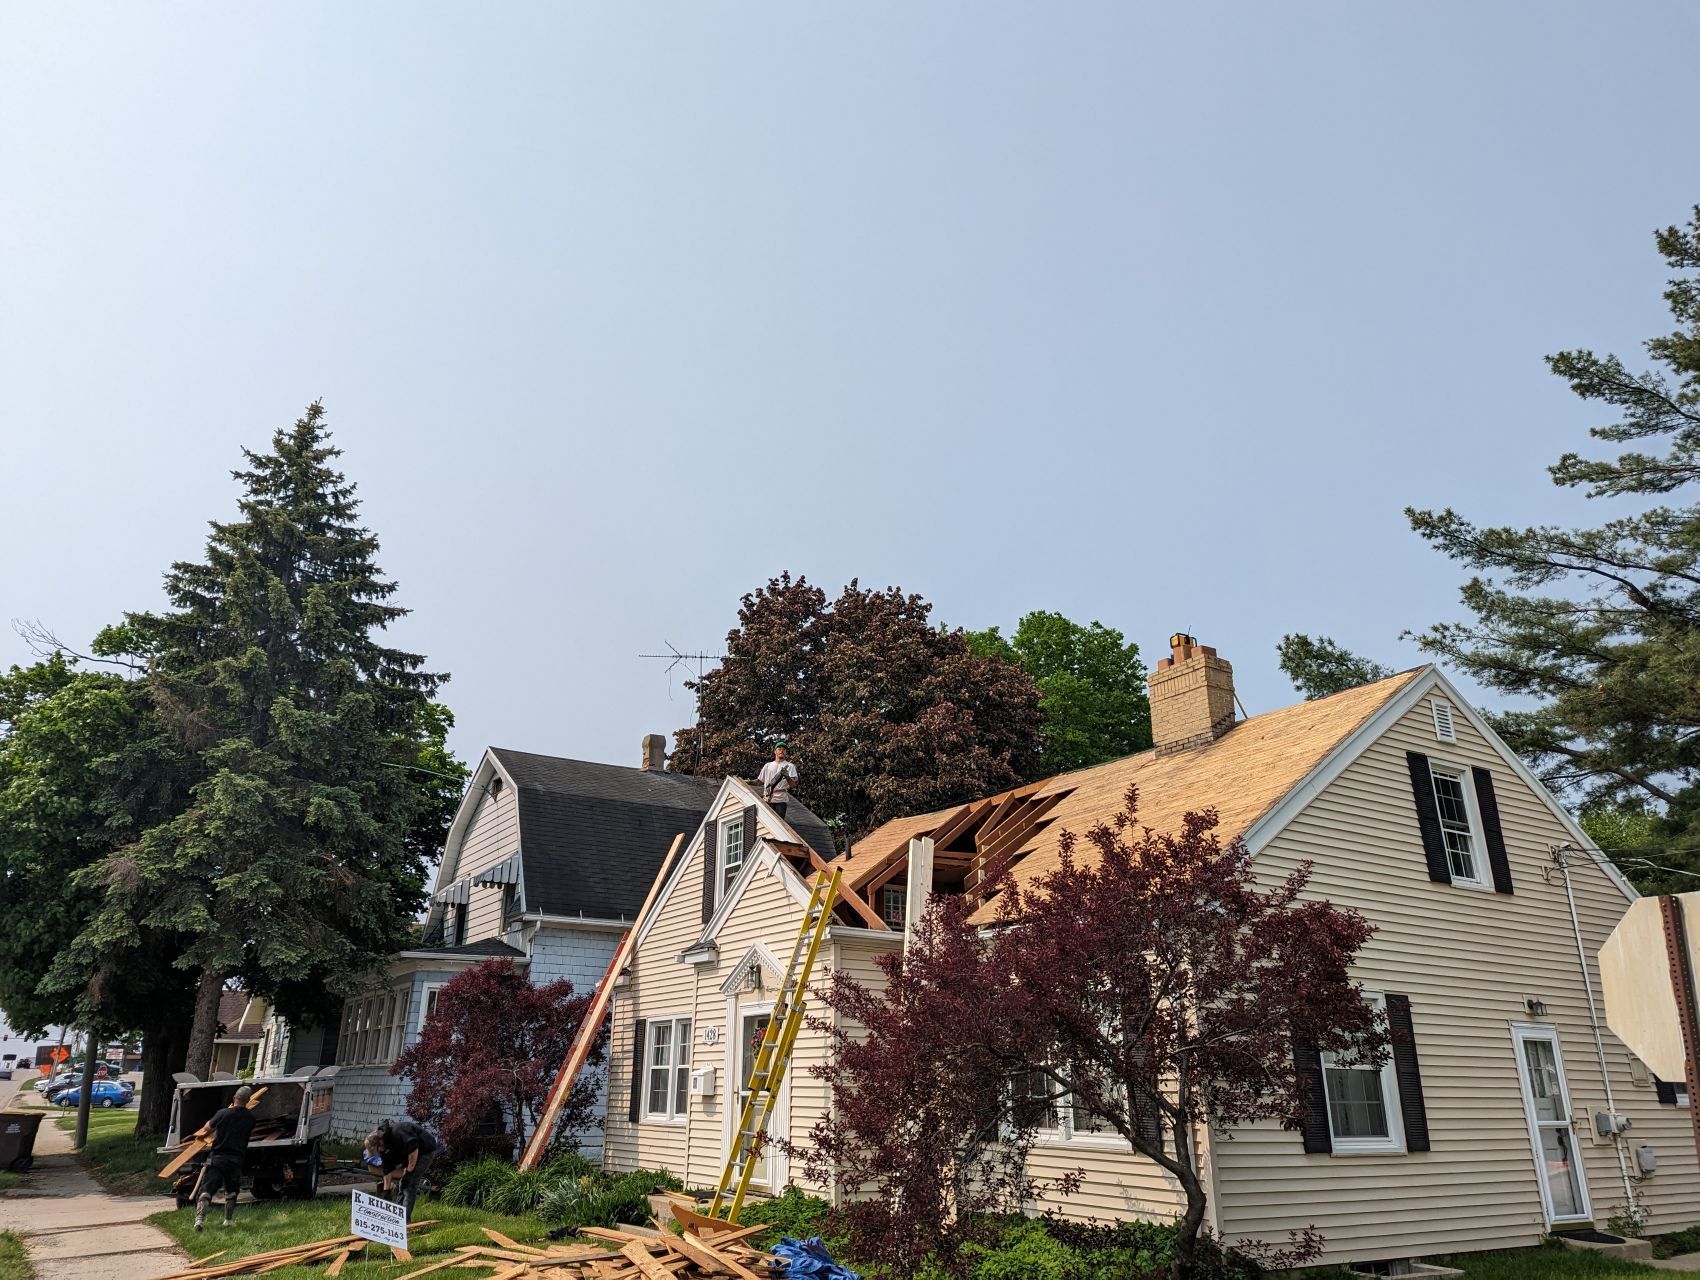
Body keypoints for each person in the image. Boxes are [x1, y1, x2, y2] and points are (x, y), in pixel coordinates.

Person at [193, 1084, 256, 1231]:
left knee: (207, 1190)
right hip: (236, 1160)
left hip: (217, 1158)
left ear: (235, 1097)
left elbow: (207, 1128)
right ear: (247, 1101)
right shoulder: (250, 1119)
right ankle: (228, 1220)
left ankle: (199, 1221)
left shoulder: (222, 1114)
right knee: (232, 1191)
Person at [364, 1117, 441, 1221]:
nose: (378, 1153)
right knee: (402, 1184)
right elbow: (387, 1169)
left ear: (379, 1143)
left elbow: (414, 1150)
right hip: (407, 1153)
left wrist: (409, 1171)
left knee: (410, 1185)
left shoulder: (398, 1132)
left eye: (377, 1150)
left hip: (425, 1150)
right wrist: (387, 1190)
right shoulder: (383, 1148)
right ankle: (397, 1216)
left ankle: (404, 1220)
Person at [757, 743, 799, 820]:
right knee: (767, 821)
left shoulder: (790, 766)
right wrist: (748, 781)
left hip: (780, 799)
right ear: (775, 752)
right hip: (767, 798)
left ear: (786, 753)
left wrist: (786, 776)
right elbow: (759, 781)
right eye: (779, 749)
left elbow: (793, 785)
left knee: (779, 821)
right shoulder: (768, 765)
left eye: (784, 750)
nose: (782, 751)